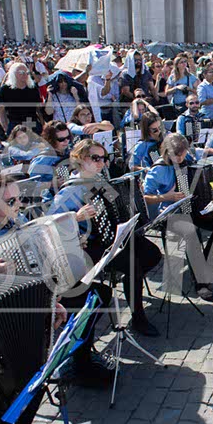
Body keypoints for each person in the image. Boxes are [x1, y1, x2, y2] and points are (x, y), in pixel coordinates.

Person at [48, 140, 161, 334]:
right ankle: (138, 318)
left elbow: (116, 204)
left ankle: (131, 285)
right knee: (132, 266)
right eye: (95, 158)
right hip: (90, 246)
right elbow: (50, 225)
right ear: (80, 159)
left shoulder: (99, 180)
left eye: (104, 158)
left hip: (113, 236)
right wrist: (76, 217)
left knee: (152, 254)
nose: (102, 163)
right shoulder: (68, 192)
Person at [143, 133, 213, 301]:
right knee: (191, 232)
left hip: (193, 208)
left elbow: (206, 162)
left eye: (182, 153)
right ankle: (201, 282)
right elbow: (145, 197)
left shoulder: (188, 158)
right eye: (176, 154)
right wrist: (167, 196)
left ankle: (205, 260)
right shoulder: (158, 169)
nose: (180, 158)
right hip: (171, 213)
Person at [0, 62, 43, 135]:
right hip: (15, 124)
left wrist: (43, 124)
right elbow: (1, 110)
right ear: (13, 73)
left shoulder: (33, 88)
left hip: (32, 122)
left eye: (27, 72)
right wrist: (5, 127)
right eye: (21, 72)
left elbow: (38, 109)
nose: (25, 75)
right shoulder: (5, 89)